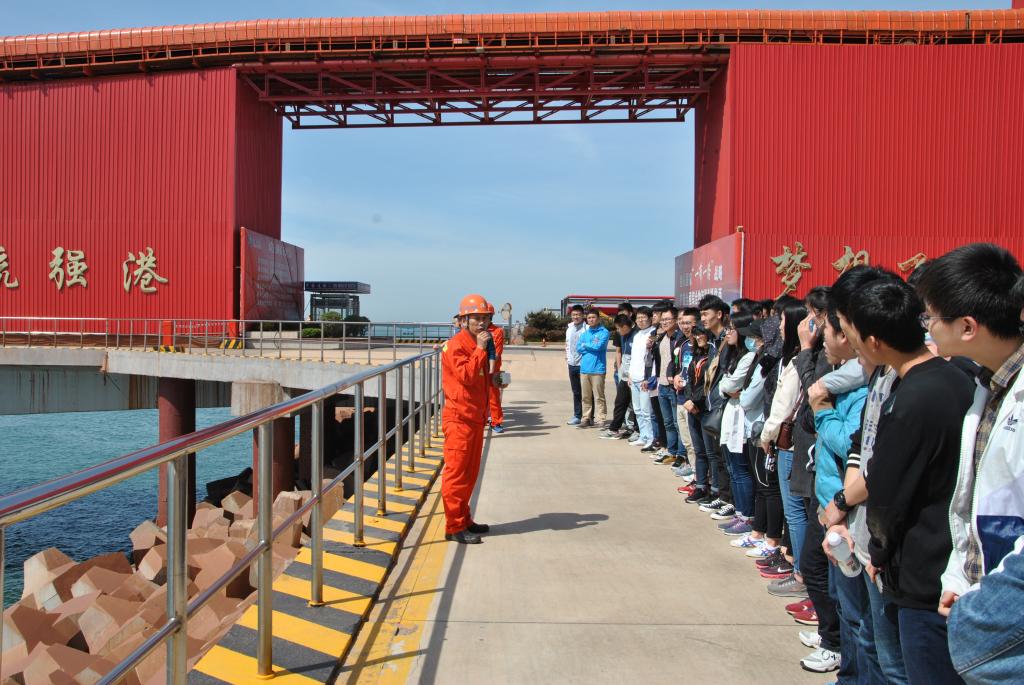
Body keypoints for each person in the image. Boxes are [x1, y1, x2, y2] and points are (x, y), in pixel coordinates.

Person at [848, 277, 974, 684]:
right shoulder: (955, 380)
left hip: (921, 576)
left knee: (904, 669)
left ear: (874, 342)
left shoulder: (910, 400)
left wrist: (878, 553)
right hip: (949, 562)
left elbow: (887, 496)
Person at [913, 244, 1024, 683]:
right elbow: (973, 501)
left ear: (967, 326)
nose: (926, 327)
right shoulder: (988, 384)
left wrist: (980, 613)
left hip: (1004, 626)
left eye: (930, 317)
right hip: (978, 597)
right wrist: (960, 577)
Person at [804, 306, 868, 677]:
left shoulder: (860, 391)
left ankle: (840, 654)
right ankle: (836, 646)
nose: (819, 337)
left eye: (824, 329)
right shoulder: (839, 380)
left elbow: (849, 444)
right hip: (831, 500)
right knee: (836, 592)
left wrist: (822, 409)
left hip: (845, 507)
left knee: (853, 607)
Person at [440, 294, 498, 545]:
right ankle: (453, 526)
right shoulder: (457, 345)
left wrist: (495, 379)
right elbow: (466, 376)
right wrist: (481, 349)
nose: (481, 323)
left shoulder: (476, 343)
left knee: (470, 473)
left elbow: (480, 378)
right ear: (464, 320)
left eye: (485, 318)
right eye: (476, 318)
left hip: (474, 417)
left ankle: (464, 519)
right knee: (457, 474)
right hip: (459, 419)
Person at [714, 313, 759, 525]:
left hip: (740, 416)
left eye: (732, 328)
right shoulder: (734, 355)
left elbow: (731, 385)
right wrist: (727, 387)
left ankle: (746, 516)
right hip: (730, 411)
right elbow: (724, 384)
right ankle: (740, 512)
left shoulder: (749, 357)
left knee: (740, 470)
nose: (728, 333)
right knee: (733, 469)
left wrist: (727, 387)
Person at [682, 325, 718, 504]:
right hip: (692, 407)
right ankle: (701, 485)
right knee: (699, 451)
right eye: (696, 334)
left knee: (711, 452)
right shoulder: (695, 355)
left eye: (702, 333)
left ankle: (716, 489)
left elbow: (710, 383)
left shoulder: (713, 354)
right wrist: (688, 399)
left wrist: (696, 402)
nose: (698, 337)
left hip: (705, 408)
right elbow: (689, 380)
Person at [652, 306, 684, 465]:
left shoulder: (680, 339)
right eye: (662, 320)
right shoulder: (662, 338)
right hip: (662, 385)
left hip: (674, 387)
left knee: (678, 424)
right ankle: (671, 451)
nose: (664, 322)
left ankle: (681, 455)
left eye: (668, 319)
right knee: (668, 423)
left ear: (675, 320)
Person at [672, 307, 699, 480]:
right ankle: (693, 471)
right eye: (682, 323)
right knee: (687, 442)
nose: (684, 326)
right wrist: (676, 376)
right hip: (680, 398)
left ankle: (699, 478)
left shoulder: (702, 345)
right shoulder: (682, 345)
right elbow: (678, 366)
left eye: (688, 323)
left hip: (692, 401)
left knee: (695, 443)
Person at [601, 314, 637, 439]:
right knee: (620, 402)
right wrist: (620, 369)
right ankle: (614, 429)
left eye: (618, 328)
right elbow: (620, 353)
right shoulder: (623, 336)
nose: (617, 330)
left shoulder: (636, 335)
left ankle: (637, 430)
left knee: (636, 406)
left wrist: (632, 374)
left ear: (625, 326)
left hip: (635, 377)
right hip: (624, 375)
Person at [628, 307, 658, 450]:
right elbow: (634, 357)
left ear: (650, 319)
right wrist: (629, 374)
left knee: (647, 412)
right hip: (634, 378)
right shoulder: (637, 335)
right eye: (638, 318)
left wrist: (649, 378)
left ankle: (651, 438)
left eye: (643, 317)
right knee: (638, 410)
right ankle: (643, 436)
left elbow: (651, 359)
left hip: (644, 379)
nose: (640, 320)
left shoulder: (653, 334)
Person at [577, 308, 610, 428]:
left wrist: (586, 345)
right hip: (584, 369)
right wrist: (590, 346)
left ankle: (601, 418)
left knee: (599, 396)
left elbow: (599, 346)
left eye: (593, 317)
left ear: (598, 319)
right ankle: (586, 418)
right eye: (589, 318)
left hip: (598, 369)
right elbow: (578, 348)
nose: (591, 320)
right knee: (585, 396)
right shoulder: (585, 334)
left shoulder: (604, 332)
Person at [485, 310, 506, 433]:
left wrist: (488, 364)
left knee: (494, 397)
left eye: (485, 316)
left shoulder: (497, 331)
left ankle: (496, 422)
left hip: (493, 369)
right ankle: (483, 418)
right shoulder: (476, 331)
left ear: (490, 316)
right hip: (478, 369)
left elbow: (497, 352)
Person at [565, 305, 586, 425]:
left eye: (578, 314)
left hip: (584, 364)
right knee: (576, 391)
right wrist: (568, 357)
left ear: (582, 315)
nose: (576, 317)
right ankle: (577, 415)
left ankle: (589, 416)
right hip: (572, 364)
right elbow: (567, 344)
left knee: (587, 392)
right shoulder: (569, 328)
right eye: (574, 315)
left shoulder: (586, 328)